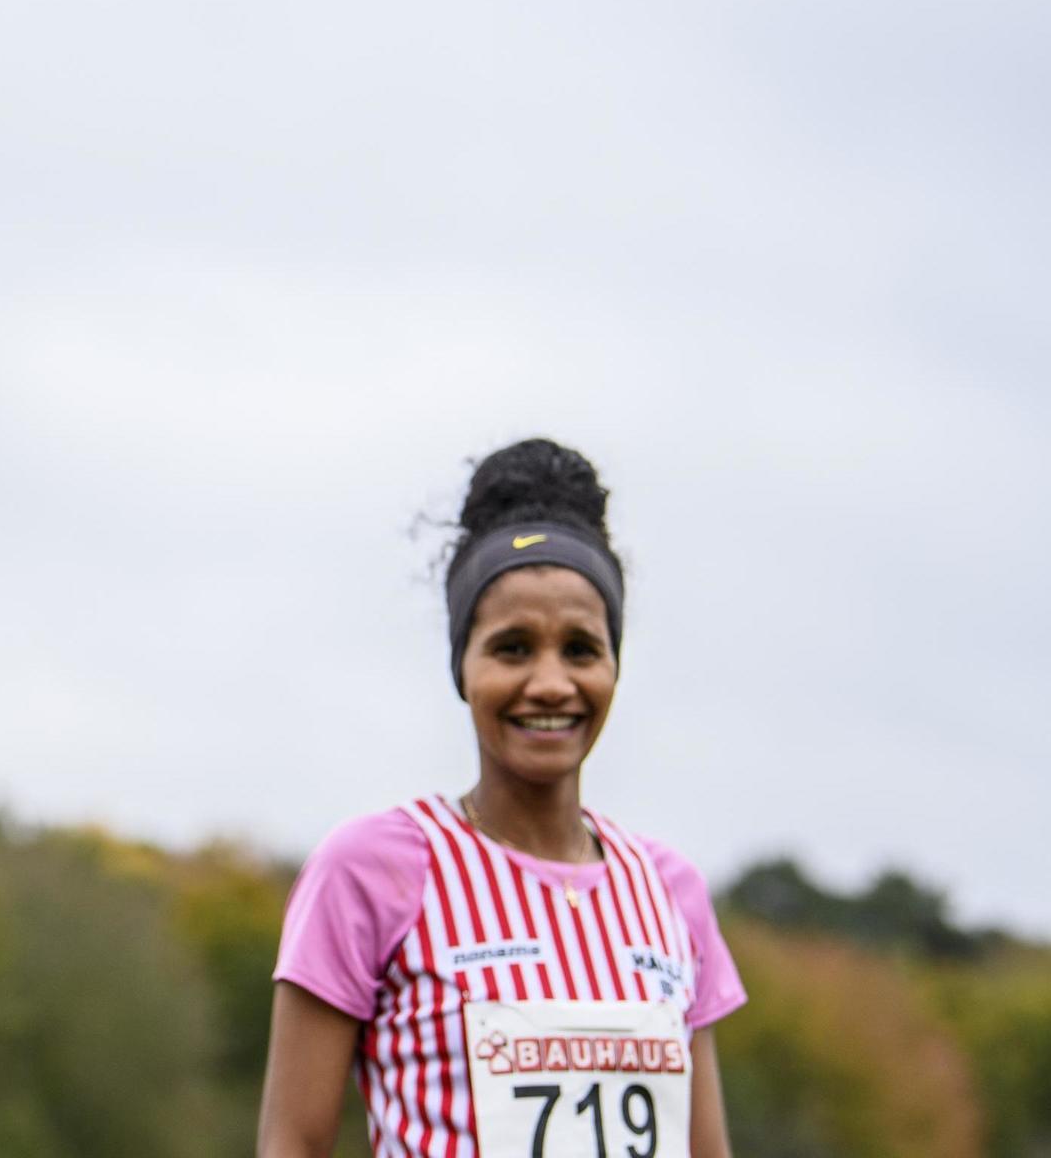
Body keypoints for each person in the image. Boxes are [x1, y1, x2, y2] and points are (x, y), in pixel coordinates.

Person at [258, 439, 746, 1158]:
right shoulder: (372, 869)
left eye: (581, 649)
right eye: (512, 648)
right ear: (464, 664)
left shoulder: (671, 890)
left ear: (614, 665)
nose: (551, 683)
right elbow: (291, 1144)